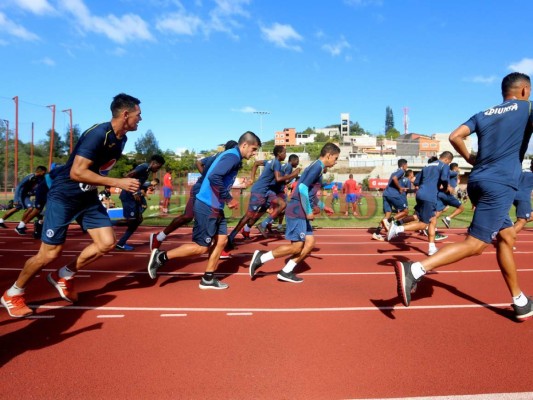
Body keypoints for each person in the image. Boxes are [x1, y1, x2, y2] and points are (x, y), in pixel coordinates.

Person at [394, 72, 533, 321]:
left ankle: (519, 300)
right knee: (476, 245)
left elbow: (455, 136)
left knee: (505, 236)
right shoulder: (526, 108)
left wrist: (470, 158)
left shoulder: (484, 114)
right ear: (524, 90)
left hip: (477, 181)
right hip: (500, 184)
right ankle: (415, 269)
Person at [1, 93, 142, 318]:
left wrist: (107, 184)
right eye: (138, 115)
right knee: (49, 254)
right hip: (64, 196)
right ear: (125, 114)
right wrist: (117, 182)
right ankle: (13, 293)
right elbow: (77, 172)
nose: (140, 119)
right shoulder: (98, 134)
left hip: (87, 198)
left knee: (106, 242)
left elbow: (97, 171)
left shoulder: (122, 139)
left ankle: (63, 275)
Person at [147, 131, 261, 290]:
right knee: (201, 247)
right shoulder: (233, 157)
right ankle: (162, 256)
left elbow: (219, 177)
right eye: (254, 149)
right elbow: (214, 177)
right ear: (244, 145)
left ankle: (208, 278)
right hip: (208, 204)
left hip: (215, 205)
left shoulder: (231, 154)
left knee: (221, 240)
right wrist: (229, 199)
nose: (254, 153)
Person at [248, 143, 340, 283]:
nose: (336, 162)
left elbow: (310, 194)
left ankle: (286, 271)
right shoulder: (317, 167)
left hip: (300, 207)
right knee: (297, 246)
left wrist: (322, 206)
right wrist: (309, 211)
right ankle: (261, 258)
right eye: (335, 158)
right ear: (329, 155)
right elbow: (302, 188)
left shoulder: (317, 166)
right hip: (298, 209)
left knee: (309, 243)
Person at [149, 140, 238, 254]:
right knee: (189, 216)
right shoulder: (224, 157)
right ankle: (159, 237)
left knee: (216, 215)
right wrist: (206, 177)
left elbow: (200, 163)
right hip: (201, 188)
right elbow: (199, 163)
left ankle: (221, 246)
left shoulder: (222, 156)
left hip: (207, 189)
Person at [226, 145, 299, 247]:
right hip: (259, 191)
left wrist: (252, 178)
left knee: (282, 204)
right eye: (284, 153)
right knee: (249, 215)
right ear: (279, 154)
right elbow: (278, 179)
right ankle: (231, 237)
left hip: (268, 191)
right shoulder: (277, 163)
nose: (285, 155)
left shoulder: (270, 162)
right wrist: (294, 175)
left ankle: (263, 224)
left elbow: (256, 163)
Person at [388, 151, 453, 255]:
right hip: (429, 196)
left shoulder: (427, 165)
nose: (448, 164)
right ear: (447, 159)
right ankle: (397, 228)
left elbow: (416, 181)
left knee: (432, 220)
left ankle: (431, 247)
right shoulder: (444, 165)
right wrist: (446, 188)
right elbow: (444, 178)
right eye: (449, 163)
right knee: (424, 224)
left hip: (420, 194)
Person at [115, 154, 165, 251]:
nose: (158, 169)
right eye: (158, 167)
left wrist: (139, 190)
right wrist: (134, 191)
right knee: (132, 220)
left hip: (134, 196)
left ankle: (121, 243)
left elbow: (138, 182)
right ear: (154, 163)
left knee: (138, 220)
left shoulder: (147, 170)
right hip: (128, 196)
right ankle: (106, 223)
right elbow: (128, 175)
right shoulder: (144, 167)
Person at [0, 165, 47, 233]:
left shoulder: (40, 178)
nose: (45, 173)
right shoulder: (30, 176)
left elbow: (39, 187)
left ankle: (21, 225)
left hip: (26, 195)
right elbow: (19, 186)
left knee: (30, 208)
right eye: (44, 172)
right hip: (20, 194)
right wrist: (16, 199)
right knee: (17, 207)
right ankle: (2, 221)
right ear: (41, 171)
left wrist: (33, 192)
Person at [372, 159, 409, 241]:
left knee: (387, 214)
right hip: (393, 194)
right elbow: (394, 178)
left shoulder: (394, 171)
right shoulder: (402, 171)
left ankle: (377, 233)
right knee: (405, 211)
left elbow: (393, 178)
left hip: (386, 194)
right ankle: (389, 221)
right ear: (403, 165)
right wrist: (399, 188)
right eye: (406, 165)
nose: (407, 166)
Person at [440, 163, 465, 228]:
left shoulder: (453, 173)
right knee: (461, 208)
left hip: (446, 193)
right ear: (455, 167)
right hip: (448, 193)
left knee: (443, 209)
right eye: (457, 167)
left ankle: (427, 223)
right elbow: (447, 173)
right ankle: (448, 218)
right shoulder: (454, 173)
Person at [513, 159, 533, 235]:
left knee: (530, 215)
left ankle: (510, 227)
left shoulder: (523, 174)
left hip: (512, 196)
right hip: (523, 198)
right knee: (522, 221)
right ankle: (506, 239)